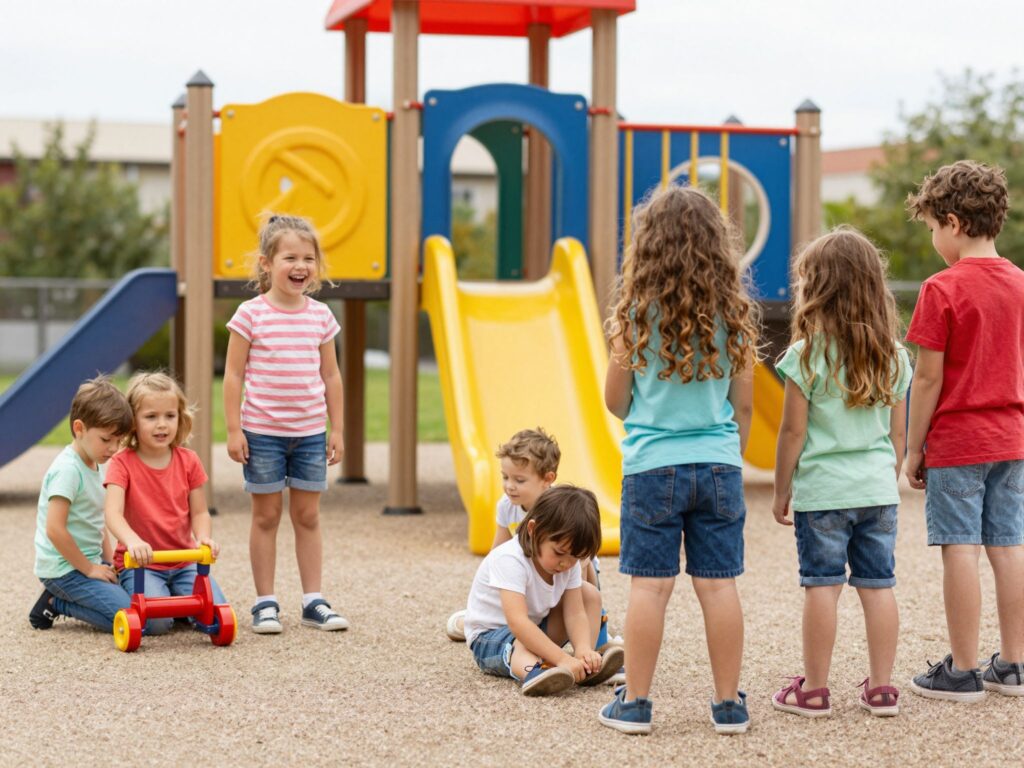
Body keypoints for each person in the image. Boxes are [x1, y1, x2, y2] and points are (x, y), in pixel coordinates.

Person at [599, 185, 759, 735]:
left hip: (652, 466)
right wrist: (725, 456)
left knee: (650, 587)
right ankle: (728, 706)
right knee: (718, 584)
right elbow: (744, 405)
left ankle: (636, 704)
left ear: (647, 246)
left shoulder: (634, 316)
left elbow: (615, 401)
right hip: (718, 464)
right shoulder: (734, 315)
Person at [770, 228, 911, 718]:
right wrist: (884, 476)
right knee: (879, 585)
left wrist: (780, 490)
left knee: (822, 586)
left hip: (823, 493)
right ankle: (883, 689)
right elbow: (898, 435)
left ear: (818, 289)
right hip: (877, 491)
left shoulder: (805, 356)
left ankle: (814, 689)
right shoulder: (894, 356)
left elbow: (791, 434)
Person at [903, 161, 1024, 699]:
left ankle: (964, 669)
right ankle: (1014, 664)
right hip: (1012, 436)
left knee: (961, 548)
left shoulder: (940, 288)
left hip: (958, 441)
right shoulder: (1020, 282)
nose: (932, 238)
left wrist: (912, 447)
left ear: (952, 222)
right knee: (1008, 544)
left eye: (931, 227)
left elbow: (928, 378)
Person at [224, 213, 348, 634]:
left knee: (308, 516)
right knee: (266, 516)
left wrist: (339, 429)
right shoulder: (249, 314)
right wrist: (233, 429)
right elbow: (233, 375)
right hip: (262, 433)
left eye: (309, 258)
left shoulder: (321, 317)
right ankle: (265, 603)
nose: (301, 266)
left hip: (311, 433)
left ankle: (313, 600)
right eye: (290, 257)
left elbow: (331, 375)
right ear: (266, 263)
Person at [446, 428, 619, 659]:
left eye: (519, 480)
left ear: (547, 479)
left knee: (586, 594)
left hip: (580, 562)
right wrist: (495, 584)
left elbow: (580, 569)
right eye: (505, 477)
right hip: (538, 565)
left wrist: (583, 627)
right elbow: (498, 548)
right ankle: (503, 632)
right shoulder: (506, 505)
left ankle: (595, 643)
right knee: (524, 600)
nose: (510, 486)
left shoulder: (560, 510)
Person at [463, 485, 625, 696]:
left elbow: (575, 612)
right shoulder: (510, 559)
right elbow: (518, 622)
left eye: (575, 557)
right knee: (521, 638)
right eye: (559, 553)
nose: (566, 564)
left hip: (534, 631)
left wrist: (583, 647)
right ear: (533, 530)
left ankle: (584, 665)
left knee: (589, 595)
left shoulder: (569, 562)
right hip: (491, 639)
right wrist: (560, 658)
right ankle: (535, 672)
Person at [103, 372, 227, 635]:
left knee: (214, 612)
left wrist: (204, 538)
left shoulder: (189, 460)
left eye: (169, 416)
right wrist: (133, 541)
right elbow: (113, 514)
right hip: (142, 563)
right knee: (157, 624)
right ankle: (164, 600)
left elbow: (200, 512)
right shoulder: (122, 462)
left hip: (184, 560)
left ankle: (176, 600)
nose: (162, 425)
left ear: (180, 418)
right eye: (151, 417)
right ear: (133, 422)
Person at [29, 377, 134, 632]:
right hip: (62, 570)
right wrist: (89, 569)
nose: (113, 448)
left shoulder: (99, 464)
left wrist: (110, 563)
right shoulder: (68, 470)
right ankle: (56, 603)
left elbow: (96, 522)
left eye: (118, 441)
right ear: (80, 428)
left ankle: (73, 594)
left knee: (138, 603)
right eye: (106, 439)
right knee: (132, 619)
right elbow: (54, 529)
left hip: (87, 561)